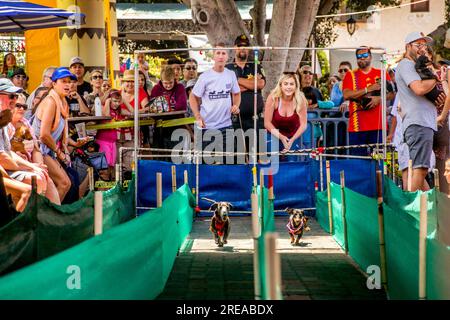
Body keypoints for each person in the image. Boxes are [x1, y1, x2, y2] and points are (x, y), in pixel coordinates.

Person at [396, 32, 446, 192]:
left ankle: (427, 212)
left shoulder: (416, 67)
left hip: (422, 122)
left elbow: (424, 91)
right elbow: (418, 88)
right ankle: (412, 210)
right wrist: (436, 78)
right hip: (418, 123)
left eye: (424, 45)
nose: (422, 49)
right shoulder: (406, 64)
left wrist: (435, 96)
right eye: (418, 45)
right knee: (420, 169)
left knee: (420, 170)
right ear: (407, 47)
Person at [0, 78, 49, 206]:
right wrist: (29, 166)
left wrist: (33, 166)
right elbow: (3, 158)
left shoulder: (4, 120)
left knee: (40, 176)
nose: (15, 100)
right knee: (31, 186)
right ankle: (19, 223)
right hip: (4, 169)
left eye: (16, 96)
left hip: (5, 169)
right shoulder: (6, 121)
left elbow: (7, 152)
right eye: (11, 96)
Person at [190, 43, 241, 163]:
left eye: (223, 53)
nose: (221, 56)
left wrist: (236, 106)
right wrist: (197, 116)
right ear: (213, 56)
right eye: (218, 53)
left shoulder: (231, 74)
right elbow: (193, 97)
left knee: (228, 162)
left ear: (227, 56)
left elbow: (237, 93)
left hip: (226, 125)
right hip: (207, 127)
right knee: (207, 163)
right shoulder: (205, 76)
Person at [343, 46, 395, 156]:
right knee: (358, 162)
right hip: (357, 126)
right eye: (359, 56)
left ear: (370, 57)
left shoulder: (381, 73)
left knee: (379, 162)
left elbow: (392, 93)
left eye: (365, 55)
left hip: (378, 126)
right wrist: (367, 89)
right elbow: (346, 94)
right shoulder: (350, 75)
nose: (362, 58)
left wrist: (379, 98)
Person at [31, 67, 74, 202]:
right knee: (64, 183)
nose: (68, 85)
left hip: (47, 150)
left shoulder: (63, 102)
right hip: (37, 150)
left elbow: (58, 133)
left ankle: (48, 217)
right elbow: (44, 135)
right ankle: (49, 218)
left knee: (61, 185)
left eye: (69, 81)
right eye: (63, 81)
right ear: (54, 84)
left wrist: (70, 146)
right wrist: (59, 153)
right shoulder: (51, 101)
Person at [9, 93, 60, 204]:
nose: (22, 109)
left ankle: (55, 218)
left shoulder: (25, 124)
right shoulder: (5, 125)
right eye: (18, 106)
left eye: (24, 106)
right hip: (13, 166)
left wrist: (39, 165)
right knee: (37, 180)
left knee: (48, 180)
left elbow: (36, 149)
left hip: (28, 164)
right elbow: (6, 152)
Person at [226, 34, 266, 160]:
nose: (242, 49)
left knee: (258, 158)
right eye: (240, 46)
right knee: (238, 158)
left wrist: (237, 81)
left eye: (245, 46)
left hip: (256, 120)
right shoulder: (228, 68)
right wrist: (251, 84)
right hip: (235, 120)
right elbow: (228, 89)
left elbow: (260, 84)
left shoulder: (255, 66)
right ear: (235, 48)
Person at [264, 72, 308, 162]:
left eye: (291, 84)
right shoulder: (273, 98)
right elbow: (267, 123)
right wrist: (282, 137)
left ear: (296, 86)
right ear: (281, 85)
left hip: (292, 136)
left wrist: (292, 140)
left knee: (291, 163)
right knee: (273, 163)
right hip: (273, 135)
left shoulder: (300, 99)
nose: (288, 87)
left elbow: (303, 124)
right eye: (285, 84)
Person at [424, 45, 449, 194]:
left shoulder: (441, 73)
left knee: (442, 164)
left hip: (440, 125)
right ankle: (430, 197)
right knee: (423, 165)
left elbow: (448, 95)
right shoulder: (416, 77)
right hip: (425, 123)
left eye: (427, 53)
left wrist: (442, 116)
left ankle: (444, 198)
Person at [150, 65, 187, 150]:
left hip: (177, 126)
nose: (168, 86)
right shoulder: (156, 89)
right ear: (161, 80)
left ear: (174, 79)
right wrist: (169, 109)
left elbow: (182, 105)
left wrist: (164, 109)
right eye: (165, 83)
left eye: (171, 82)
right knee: (161, 155)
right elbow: (152, 107)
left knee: (177, 155)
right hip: (160, 128)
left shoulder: (180, 87)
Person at [96, 89, 123, 180]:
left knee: (112, 166)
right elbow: (106, 115)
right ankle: (102, 190)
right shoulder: (105, 107)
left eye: (119, 101)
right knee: (104, 168)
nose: (117, 104)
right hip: (103, 141)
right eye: (114, 101)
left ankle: (109, 189)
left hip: (112, 142)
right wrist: (107, 101)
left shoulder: (117, 111)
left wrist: (124, 102)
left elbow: (131, 112)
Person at [298, 64, 323, 148]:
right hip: (296, 131)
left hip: (312, 132)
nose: (308, 75)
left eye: (310, 73)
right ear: (300, 74)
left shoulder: (317, 91)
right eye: (305, 72)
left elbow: (323, 109)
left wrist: (317, 105)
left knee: (311, 156)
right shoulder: (294, 89)